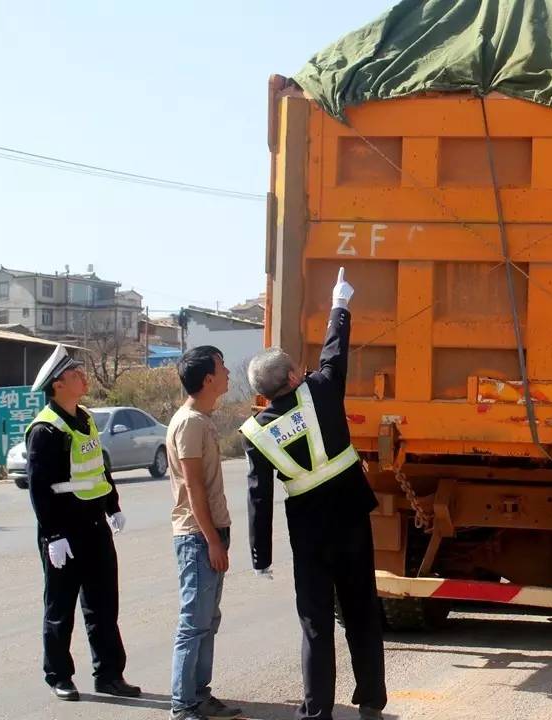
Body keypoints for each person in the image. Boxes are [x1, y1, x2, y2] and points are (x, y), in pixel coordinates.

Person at [242, 267, 386, 720]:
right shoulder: (321, 391)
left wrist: (261, 556)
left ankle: (318, 711)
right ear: (291, 376)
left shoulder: (256, 432)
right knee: (361, 610)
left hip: (308, 533)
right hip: (350, 521)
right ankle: (371, 702)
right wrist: (339, 305)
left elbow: (258, 498)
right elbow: (333, 354)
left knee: (315, 623)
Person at [25, 344, 141, 702]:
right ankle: (59, 675)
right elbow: (40, 490)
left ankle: (109, 674)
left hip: (94, 527)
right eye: (76, 374)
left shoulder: (85, 418)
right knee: (60, 609)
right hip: (64, 532)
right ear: (58, 385)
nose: (83, 378)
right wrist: (54, 535)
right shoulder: (46, 430)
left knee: (104, 605)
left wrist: (113, 505)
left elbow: (98, 468)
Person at [166, 346, 242, 720]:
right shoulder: (190, 423)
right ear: (208, 379)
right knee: (194, 623)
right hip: (197, 536)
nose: (228, 372)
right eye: (222, 367)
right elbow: (194, 487)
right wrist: (212, 539)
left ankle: (199, 694)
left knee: (208, 621)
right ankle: (183, 705)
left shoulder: (202, 418)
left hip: (210, 532)